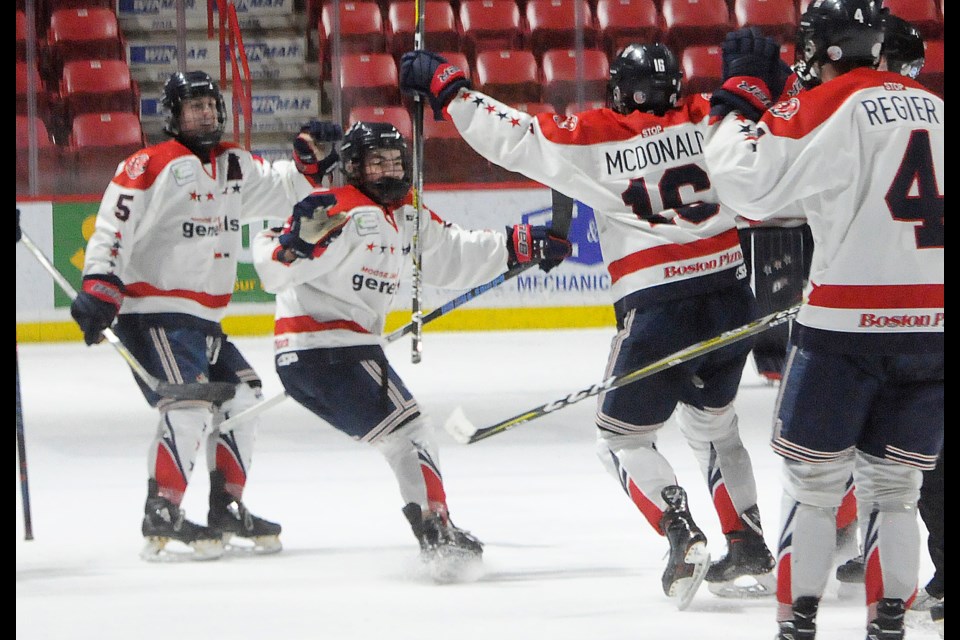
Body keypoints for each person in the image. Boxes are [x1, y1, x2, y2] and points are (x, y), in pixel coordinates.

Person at [399, 43, 778, 608]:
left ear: (619, 90)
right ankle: (747, 543)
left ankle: (682, 533)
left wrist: (448, 86)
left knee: (619, 441)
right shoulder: (708, 115)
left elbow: (515, 138)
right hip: (730, 295)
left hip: (658, 307)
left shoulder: (596, 131)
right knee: (715, 428)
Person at [703, 1, 944, 637]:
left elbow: (745, 184)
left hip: (844, 330)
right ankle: (888, 620)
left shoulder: (828, 103)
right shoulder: (938, 108)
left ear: (827, 49)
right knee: (896, 491)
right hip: (933, 328)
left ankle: (798, 622)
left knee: (814, 488)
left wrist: (737, 102)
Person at [250, 121, 571, 579]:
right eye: (377, 162)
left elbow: (453, 255)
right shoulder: (337, 208)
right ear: (354, 166)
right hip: (322, 348)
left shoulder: (406, 214)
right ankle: (437, 532)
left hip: (343, 351)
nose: (389, 170)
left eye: (396, 161)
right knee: (411, 432)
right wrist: (291, 248)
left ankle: (432, 529)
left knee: (403, 436)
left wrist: (524, 243)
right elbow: (272, 267)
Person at [68, 70, 342, 561]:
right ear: (171, 116)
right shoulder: (147, 165)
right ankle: (162, 510)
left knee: (244, 396)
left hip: (203, 320)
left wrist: (309, 162)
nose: (206, 114)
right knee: (190, 404)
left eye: (211, 105)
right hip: (153, 313)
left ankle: (226, 506)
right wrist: (101, 284)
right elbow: (113, 227)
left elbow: (284, 190)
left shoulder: (233, 163)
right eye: (194, 106)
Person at [832, 16, 943, 616]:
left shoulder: (861, 118)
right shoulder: (930, 113)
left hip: (909, 313)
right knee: (895, 451)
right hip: (921, 307)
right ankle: (880, 549)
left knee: (912, 455)